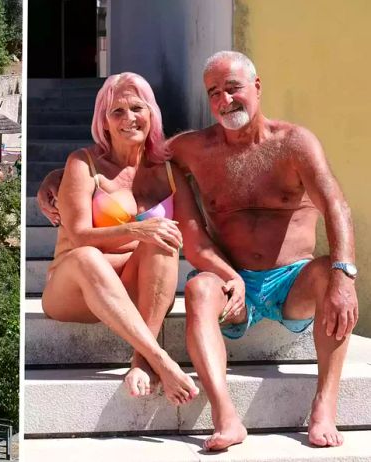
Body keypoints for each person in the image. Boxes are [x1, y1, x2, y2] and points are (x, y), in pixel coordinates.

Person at [36, 52, 357, 451]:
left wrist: (345, 272)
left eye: (233, 88)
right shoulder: (192, 149)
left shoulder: (288, 144)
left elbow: (335, 205)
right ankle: (216, 409)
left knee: (332, 276)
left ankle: (324, 406)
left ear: (256, 88)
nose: (225, 100)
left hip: (290, 279)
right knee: (188, 282)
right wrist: (56, 177)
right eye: (215, 92)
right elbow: (116, 160)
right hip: (141, 283)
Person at [38, 72, 252, 409]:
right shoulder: (83, 164)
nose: (128, 119)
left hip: (136, 289)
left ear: (151, 114)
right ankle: (161, 360)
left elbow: (195, 241)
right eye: (117, 112)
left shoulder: (168, 172)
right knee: (89, 257)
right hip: (74, 286)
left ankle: (139, 362)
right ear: (103, 122)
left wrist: (231, 275)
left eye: (137, 108)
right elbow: (78, 235)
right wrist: (137, 230)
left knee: (165, 237)